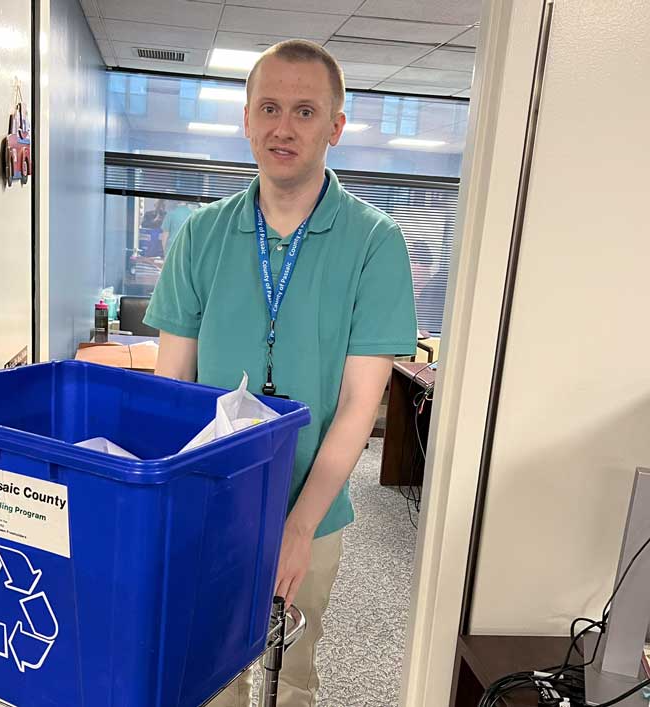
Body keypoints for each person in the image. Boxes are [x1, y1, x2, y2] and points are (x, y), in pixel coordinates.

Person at [144, 39, 416, 707]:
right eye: (268, 108)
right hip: (210, 506)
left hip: (311, 509)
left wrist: (297, 528)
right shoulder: (200, 235)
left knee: (287, 677)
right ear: (246, 120)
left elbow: (359, 404)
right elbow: (171, 389)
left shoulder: (375, 242)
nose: (282, 128)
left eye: (304, 111)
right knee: (205, 674)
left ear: (335, 126)